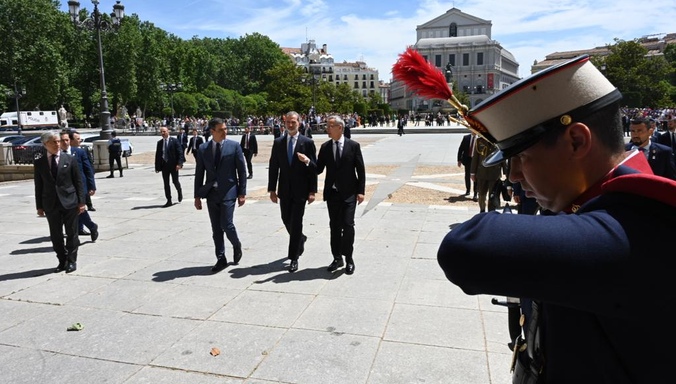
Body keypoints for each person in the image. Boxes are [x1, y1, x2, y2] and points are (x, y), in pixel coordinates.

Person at [437, 55, 676, 383]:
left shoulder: (632, 227)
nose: (515, 176)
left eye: (522, 156)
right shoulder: (598, 204)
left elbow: (463, 248)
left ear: (577, 141)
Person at [298, 115, 365, 275]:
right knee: (334, 227)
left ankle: (349, 257)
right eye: (327, 126)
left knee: (348, 226)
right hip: (333, 194)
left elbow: (360, 170)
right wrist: (307, 161)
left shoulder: (353, 146)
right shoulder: (326, 147)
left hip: (349, 193)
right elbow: (319, 169)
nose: (326, 128)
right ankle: (337, 258)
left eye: (330, 126)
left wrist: (361, 191)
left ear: (340, 128)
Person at [194, 118, 247, 273]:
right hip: (211, 193)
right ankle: (221, 258)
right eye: (221, 129)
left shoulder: (234, 146)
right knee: (216, 228)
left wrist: (242, 193)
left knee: (226, 224)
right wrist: (197, 196)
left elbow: (242, 171)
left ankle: (236, 244)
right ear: (212, 131)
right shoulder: (203, 148)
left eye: (225, 129)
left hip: (229, 191)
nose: (225, 132)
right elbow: (199, 174)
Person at [268, 111, 317, 273]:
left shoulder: (307, 143)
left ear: (299, 123)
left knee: (296, 222)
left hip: (301, 190)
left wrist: (312, 191)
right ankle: (300, 238)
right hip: (284, 190)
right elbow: (274, 167)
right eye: (288, 122)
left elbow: (313, 169)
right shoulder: (279, 142)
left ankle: (293, 257)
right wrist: (272, 189)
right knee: (285, 218)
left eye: (293, 122)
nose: (290, 125)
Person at [34, 131, 86, 274]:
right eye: (54, 142)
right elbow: (38, 185)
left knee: (72, 233)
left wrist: (82, 202)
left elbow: (78, 182)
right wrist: (39, 206)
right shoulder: (39, 162)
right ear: (45, 144)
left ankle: (72, 260)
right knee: (56, 235)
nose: (58, 144)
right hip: (51, 204)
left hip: (70, 202)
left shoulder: (69, 159)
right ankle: (62, 260)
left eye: (58, 141)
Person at [60, 130, 99, 242]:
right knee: (71, 210)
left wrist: (92, 186)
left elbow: (88, 170)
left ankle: (89, 227)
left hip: (79, 186)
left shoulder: (79, 152)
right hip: (64, 188)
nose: (65, 143)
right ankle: (84, 229)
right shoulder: (57, 154)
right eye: (62, 141)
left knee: (78, 209)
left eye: (66, 140)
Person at [470, 137, 505, 211]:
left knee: (493, 194)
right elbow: (475, 157)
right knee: (481, 194)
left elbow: (502, 155)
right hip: (482, 173)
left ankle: (491, 211)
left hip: (494, 173)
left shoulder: (498, 139)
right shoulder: (479, 141)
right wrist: (473, 172)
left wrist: (506, 171)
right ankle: (482, 210)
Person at [155, 126, 185, 207]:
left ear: (168, 131)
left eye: (164, 131)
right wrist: (157, 167)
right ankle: (169, 200)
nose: (162, 133)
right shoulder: (160, 143)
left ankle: (179, 191)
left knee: (175, 181)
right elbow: (158, 155)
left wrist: (179, 164)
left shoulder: (174, 141)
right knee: (166, 183)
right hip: (164, 166)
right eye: (161, 132)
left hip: (174, 166)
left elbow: (180, 153)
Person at [71, 131, 96, 211]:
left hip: (82, 181)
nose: (80, 141)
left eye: (80, 139)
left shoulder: (83, 149)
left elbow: (89, 164)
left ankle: (89, 205)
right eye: (78, 139)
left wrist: (91, 174)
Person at [457, 132, 476, 198]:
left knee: (475, 176)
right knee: (467, 175)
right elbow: (461, 148)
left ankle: (475, 193)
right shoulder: (466, 138)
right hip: (467, 159)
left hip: (476, 160)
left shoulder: (479, 138)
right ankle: (468, 190)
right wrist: (459, 160)